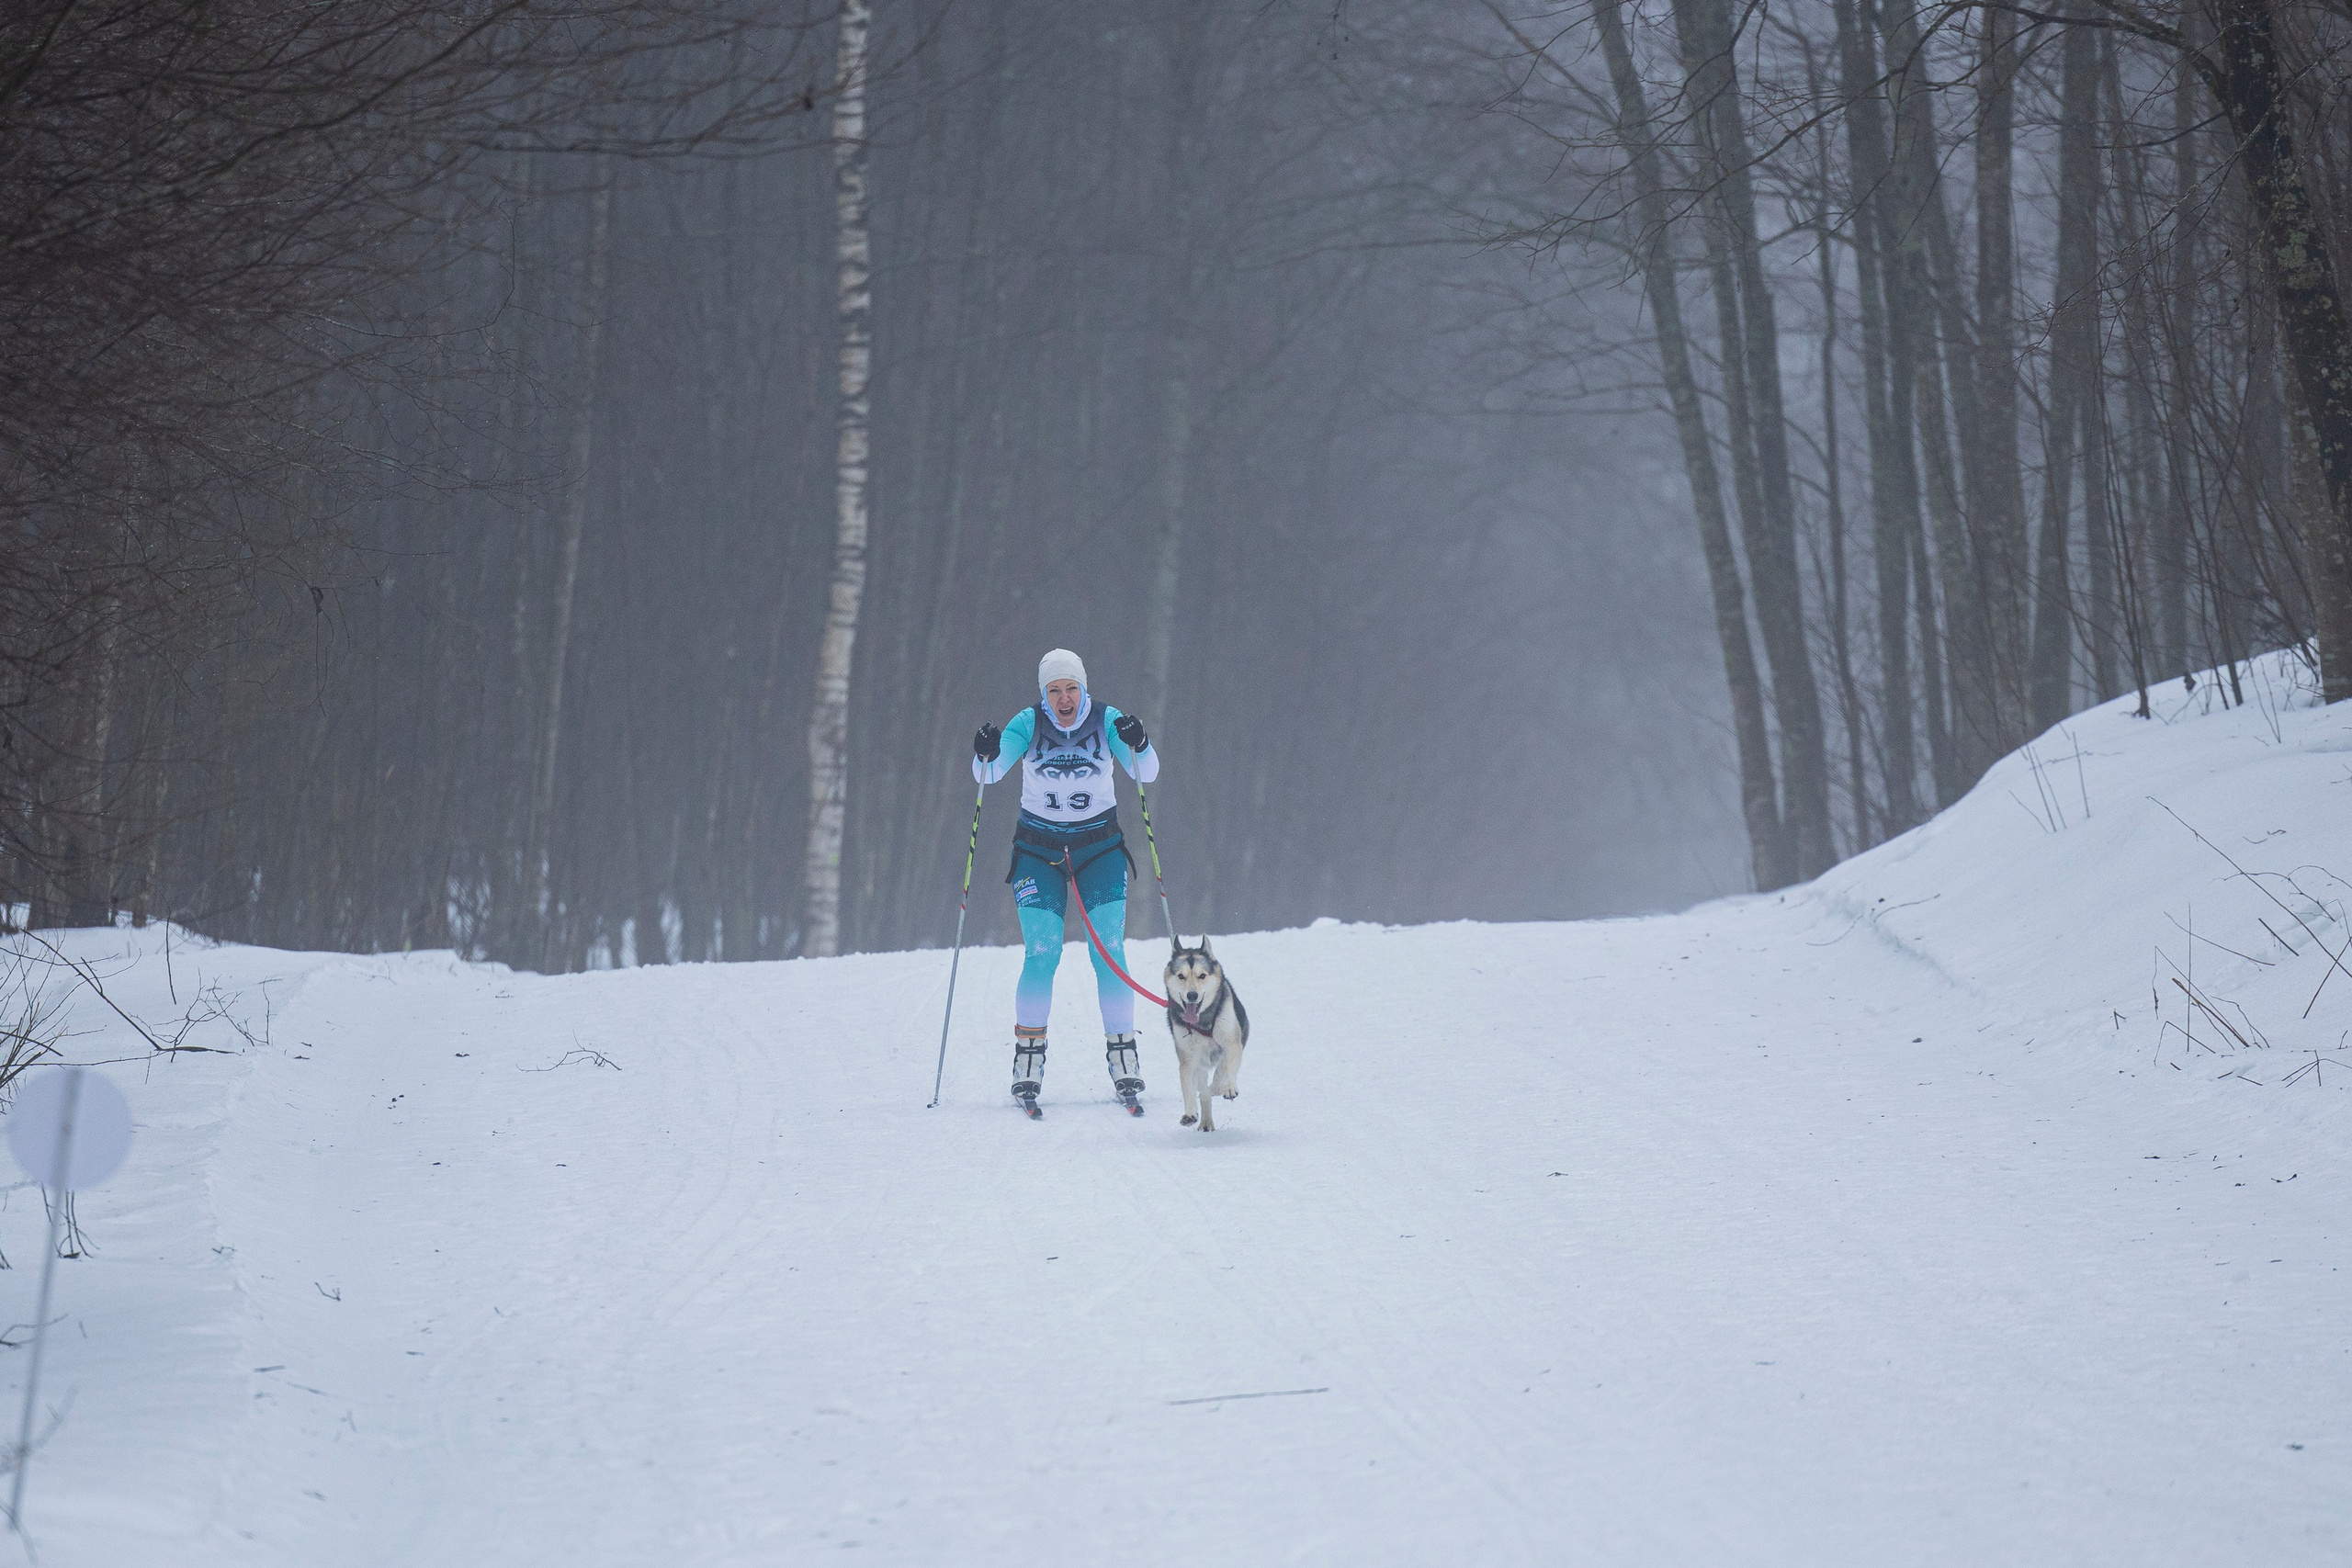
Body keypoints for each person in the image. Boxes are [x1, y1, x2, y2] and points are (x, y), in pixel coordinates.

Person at [972, 649, 1159, 1117]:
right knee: (1042, 953)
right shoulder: (1027, 723)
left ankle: (1124, 1058)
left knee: (1109, 950)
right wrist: (984, 751)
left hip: (1099, 848)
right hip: (1039, 851)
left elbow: (1147, 771)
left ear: (1083, 687)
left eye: (1071, 687)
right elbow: (989, 775)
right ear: (1043, 693)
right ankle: (1028, 1063)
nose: (1064, 698)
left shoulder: (1106, 718)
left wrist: (1141, 742)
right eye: (1054, 690)